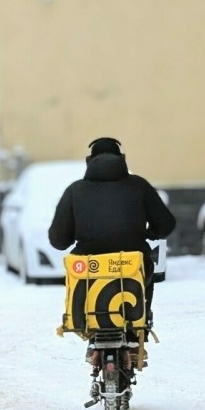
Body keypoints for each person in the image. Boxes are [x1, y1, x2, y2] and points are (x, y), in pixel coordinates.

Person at [47, 137, 176, 346]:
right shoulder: (138, 186)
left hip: (89, 265)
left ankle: (90, 328)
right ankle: (137, 328)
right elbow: (166, 224)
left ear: (89, 161)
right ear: (121, 159)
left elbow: (58, 240)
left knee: (83, 279)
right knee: (146, 269)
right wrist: (151, 232)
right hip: (133, 262)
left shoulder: (75, 191)